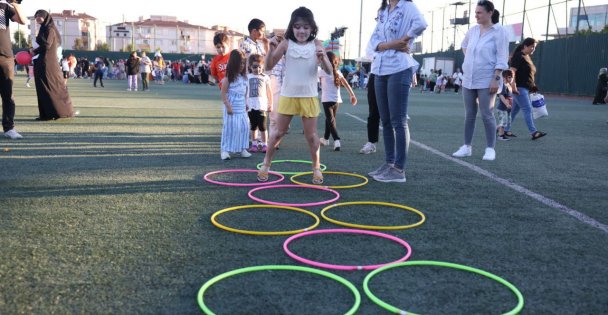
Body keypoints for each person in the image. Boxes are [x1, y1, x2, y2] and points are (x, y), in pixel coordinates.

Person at [258, 6, 332, 184]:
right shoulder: (286, 43)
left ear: (312, 28)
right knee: (277, 133)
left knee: (312, 136)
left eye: (306, 27)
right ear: (292, 27)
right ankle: (266, 165)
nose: (302, 31)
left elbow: (330, 71)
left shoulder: (317, 45)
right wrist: (270, 49)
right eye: (298, 26)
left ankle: (316, 168)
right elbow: (268, 67)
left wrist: (322, 59)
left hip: (309, 96)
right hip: (288, 95)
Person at [366, 0, 427, 183]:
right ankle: (389, 163)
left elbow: (421, 24)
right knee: (385, 120)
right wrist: (393, 44)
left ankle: (399, 169)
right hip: (380, 68)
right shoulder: (384, 10)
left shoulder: (407, 7)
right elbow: (373, 43)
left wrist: (406, 39)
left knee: (398, 121)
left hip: (399, 67)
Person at [452, 0, 508, 161]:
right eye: (475, 12)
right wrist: (470, 59)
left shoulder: (499, 31)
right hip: (468, 78)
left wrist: (496, 79)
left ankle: (490, 148)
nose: (476, 15)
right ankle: (466, 147)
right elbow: (464, 46)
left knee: (487, 114)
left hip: (487, 79)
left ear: (490, 13)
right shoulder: (473, 30)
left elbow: (502, 57)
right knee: (469, 114)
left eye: (479, 12)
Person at [30, 10, 76, 121]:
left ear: (45, 17)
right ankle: (45, 114)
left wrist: (35, 51)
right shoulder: (42, 29)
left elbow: (47, 45)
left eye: (40, 16)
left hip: (48, 63)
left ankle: (59, 112)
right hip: (41, 62)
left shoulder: (50, 29)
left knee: (51, 87)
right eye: (36, 16)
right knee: (42, 88)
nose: (37, 18)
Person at [504, 37, 547, 140]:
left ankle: (505, 129)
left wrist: (533, 85)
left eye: (534, 47)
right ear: (525, 46)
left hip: (525, 88)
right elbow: (512, 72)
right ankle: (534, 132)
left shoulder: (526, 56)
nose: (533, 49)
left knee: (514, 111)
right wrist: (513, 86)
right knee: (527, 109)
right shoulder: (519, 56)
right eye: (532, 46)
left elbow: (528, 73)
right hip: (519, 88)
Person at [318, 51, 357, 151]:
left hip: (327, 100)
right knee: (330, 119)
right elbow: (346, 84)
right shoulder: (338, 72)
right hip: (336, 101)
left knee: (330, 120)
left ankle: (337, 140)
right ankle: (326, 139)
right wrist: (352, 95)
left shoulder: (322, 72)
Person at [220, 50, 252, 160]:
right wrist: (228, 106)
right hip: (231, 107)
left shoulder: (244, 78)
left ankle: (242, 148)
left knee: (244, 127)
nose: (242, 66)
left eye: (243, 63)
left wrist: (246, 103)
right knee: (230, 128)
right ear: (233, 64)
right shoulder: (228, 78)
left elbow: (245, 92)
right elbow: (223, 93)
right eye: (240, 63)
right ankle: (225, 150)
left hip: (241, 107)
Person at [1, 0, 25, 139]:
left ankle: (9, 128)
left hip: (5, 56)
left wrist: (15, 3)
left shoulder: (4, 5)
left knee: (8, 94)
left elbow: (22, 20)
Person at [246, 54, 273, 153]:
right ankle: (254, 144)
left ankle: (265, 144)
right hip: (251, 105)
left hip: (262, 105)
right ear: (250, 67)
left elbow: (269, 92)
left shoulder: (265, 77)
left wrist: (271, 104)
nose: (257, 69)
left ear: (263, 67)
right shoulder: (248, 77)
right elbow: (245, 91)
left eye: (259, 67)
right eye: (254, 67)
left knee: (262, 126)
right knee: (253, 126)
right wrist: (245, 103)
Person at [496, 69, 514, 141]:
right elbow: (501, 96)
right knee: (502, 122)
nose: (511, 79)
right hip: (502, 108)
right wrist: (506, 104)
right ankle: (501, 135)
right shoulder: (503, 86)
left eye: (511, 77)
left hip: (507, 108)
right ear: (504, 77)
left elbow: (510, 96)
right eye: (509, 77)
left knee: (506, 122)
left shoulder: (509, 85)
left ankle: (495, 129)